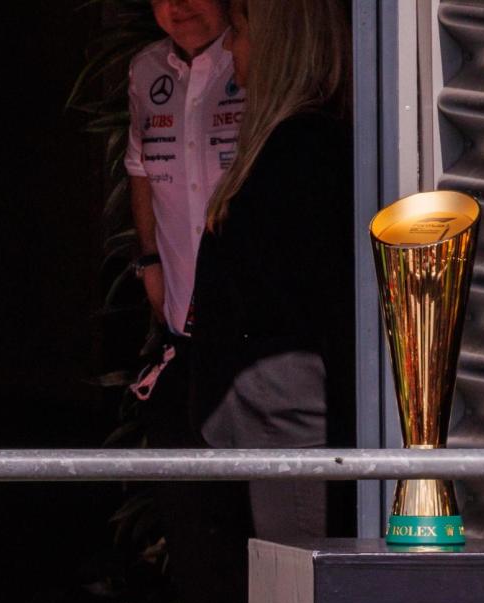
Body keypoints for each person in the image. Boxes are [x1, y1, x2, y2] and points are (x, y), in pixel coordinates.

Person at [192, 0, 354, 538]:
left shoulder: (302, 148)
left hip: (288, 424)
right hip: (271, 419)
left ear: (281, 46)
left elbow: (303, 298)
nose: (231, 48)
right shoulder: (295, 143)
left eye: (238, 31)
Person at [125, 0, 242, 447]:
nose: (177, 6)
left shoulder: (260, 59)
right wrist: (149, 261)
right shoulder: (145, 69)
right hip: (182, 327)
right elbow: (139, 169)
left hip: (254, 332)